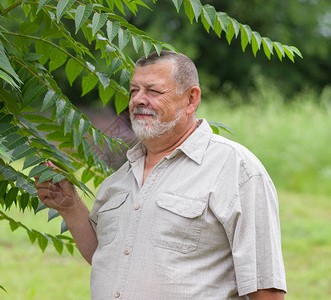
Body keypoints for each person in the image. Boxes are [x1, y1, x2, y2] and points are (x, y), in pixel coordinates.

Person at [35, 51, 287, 299]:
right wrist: (70, 207)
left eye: (153, 91)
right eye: (134, 91)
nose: (138, 100)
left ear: (191, 99)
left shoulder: (235, 169)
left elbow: (265, 287)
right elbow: (108, 258)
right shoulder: (121, 176)